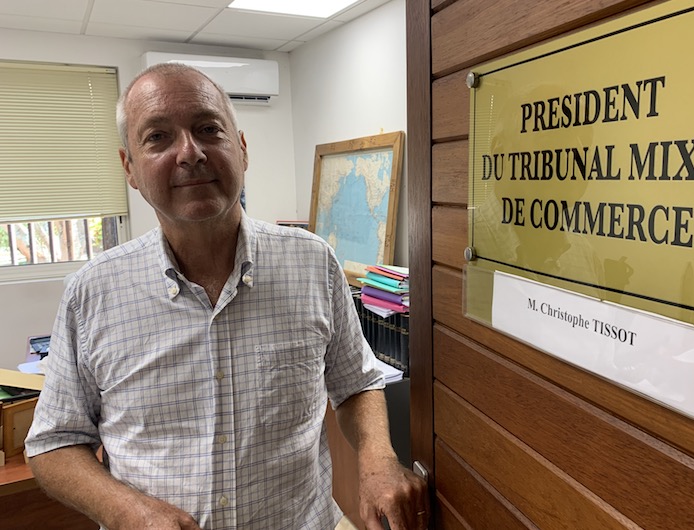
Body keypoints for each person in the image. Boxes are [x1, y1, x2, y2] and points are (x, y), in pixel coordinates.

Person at [25, 62, 428, 530]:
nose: (190, 152)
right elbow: (53, 443)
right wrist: (126, 511)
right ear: (129, 168)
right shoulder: (91, 292)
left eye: (208, 129)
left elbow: (355, 383)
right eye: (158, 137)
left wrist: (378, 460)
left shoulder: (313, 262)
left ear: (241, 148)